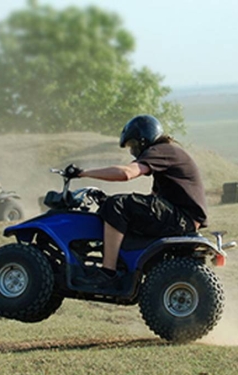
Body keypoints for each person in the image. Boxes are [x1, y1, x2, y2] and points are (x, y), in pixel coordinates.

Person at [65, 114, 208, 289]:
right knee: (117, 206)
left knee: (116, 205)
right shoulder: (167, 153)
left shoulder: (160, 150)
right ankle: (122, 263)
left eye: (133, 145)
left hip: (182, 218)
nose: (132, 151)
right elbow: (153, 199)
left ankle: (108, 273)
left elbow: (126, 173)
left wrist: (83, 173)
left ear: (143, 140)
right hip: (183, 217)